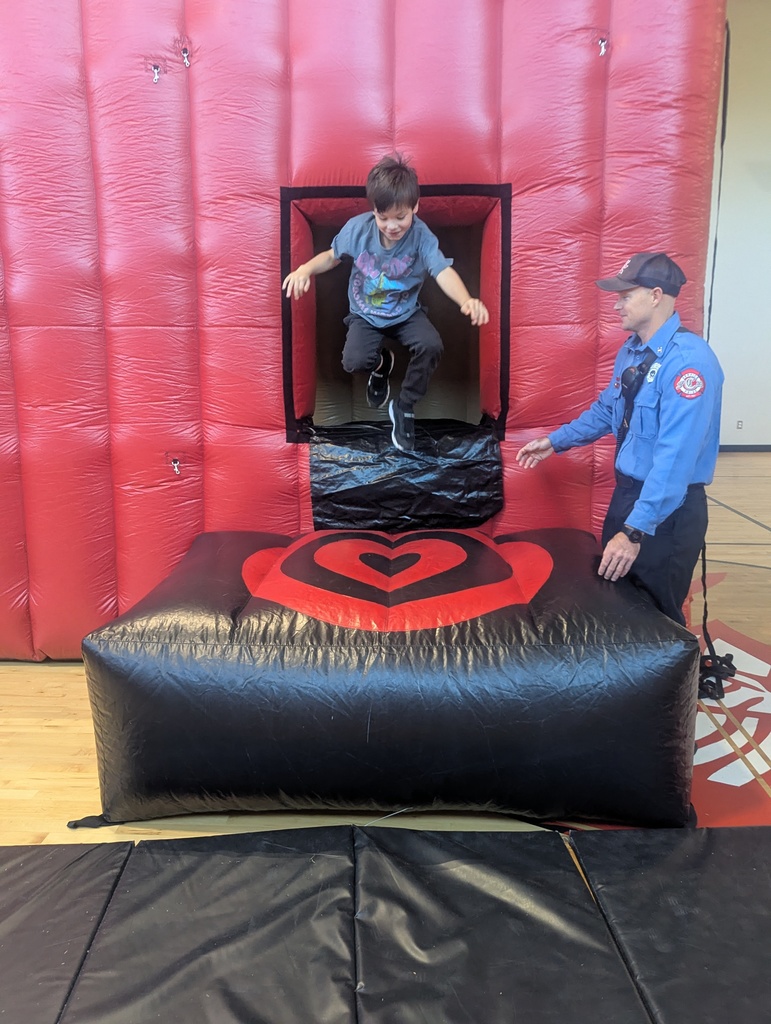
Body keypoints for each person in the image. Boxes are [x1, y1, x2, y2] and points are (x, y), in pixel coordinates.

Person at [516, 252, 724, 626]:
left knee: (658, 617)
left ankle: (673, 687)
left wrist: (634, 531)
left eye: (626, 295)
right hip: (628, 497)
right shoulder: (632, 351)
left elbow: (675, 461)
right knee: (620, 605)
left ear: (656, 295)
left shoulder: (689, 365)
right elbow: (607, 410)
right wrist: (556, 441)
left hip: (666, 512)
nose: (616, 304)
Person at [282, 155, 489, 452]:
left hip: (405, 313)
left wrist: (466, 299)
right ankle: (382, 366)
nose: (392, 226)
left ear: (415, 208)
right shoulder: (359, 229)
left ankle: (404, 405)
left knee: (431, 345)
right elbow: (331, 256)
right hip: (364, 314)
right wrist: (304, 269)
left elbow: (441, 270)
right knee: (354, 362)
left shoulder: (421, 237)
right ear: (374, 211)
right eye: (384, 217)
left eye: (401, 217)